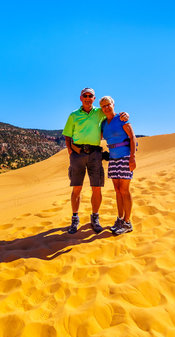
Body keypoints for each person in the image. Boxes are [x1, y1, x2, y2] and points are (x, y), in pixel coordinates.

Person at [62, 88, 128, 234]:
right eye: (85, 96)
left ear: (93, 98)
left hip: (95, 154)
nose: (87, 98)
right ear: (80, 98)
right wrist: (70, 152)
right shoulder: (73, 115)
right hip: (77, 154)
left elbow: (111, 113)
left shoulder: (99, 112)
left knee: (96, 188)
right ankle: (75, 219)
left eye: (90, 96)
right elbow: (67, 135)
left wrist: (124, 115)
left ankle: (95, 218)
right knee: (76, 188)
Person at [99, 96, 136, 234]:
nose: (106, 108)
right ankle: (120, 219)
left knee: (125, 189)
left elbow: (132, 136)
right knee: (117, 189)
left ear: (113, 104)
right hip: (113, 158)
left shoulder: (121, 118)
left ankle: (127, 222)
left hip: (125, 156)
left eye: (108, 104)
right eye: (103, 106)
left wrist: (132, 157)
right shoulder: (103, 124)